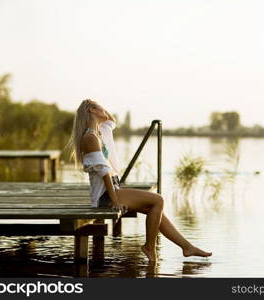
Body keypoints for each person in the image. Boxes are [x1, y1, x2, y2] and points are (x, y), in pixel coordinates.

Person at [65, 99, 212, 261]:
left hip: (112, 189)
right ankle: (150, 248)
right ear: (92, 110)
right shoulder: (90, 138)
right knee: (158, 200)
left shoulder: (100, 133)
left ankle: (187, 247)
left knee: (154, 208)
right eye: (101, 106)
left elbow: (111, 121)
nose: (105, 110)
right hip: (105, 195)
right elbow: (104, 172)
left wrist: (99, 110)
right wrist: (115, 201)